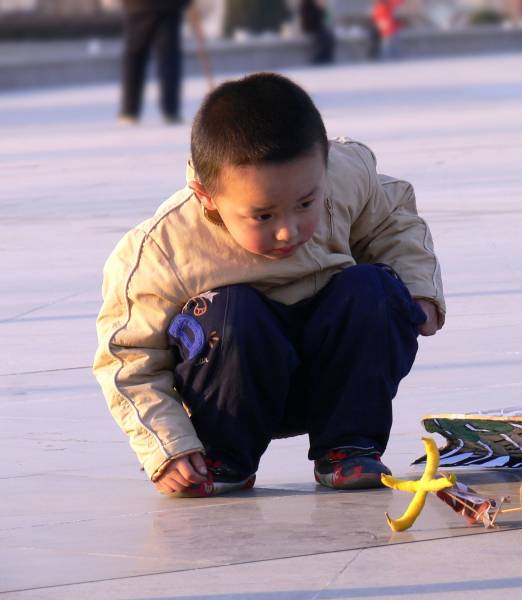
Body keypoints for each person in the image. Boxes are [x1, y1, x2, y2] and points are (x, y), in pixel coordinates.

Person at [94, 72, 445, 498]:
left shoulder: (346, 174)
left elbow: (392, 221)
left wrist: (417, 289)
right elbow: (129, 359)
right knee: (231, 310)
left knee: (372, 287)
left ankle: (348, 447)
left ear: (325, 166)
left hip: (337, 370)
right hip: (232, 382)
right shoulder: (164, 247)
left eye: (305, 204)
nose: (288, 231)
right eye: (263, 216)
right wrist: (168, 447)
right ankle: (222, 458)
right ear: (207, 196)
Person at [119, 0, 192, 124]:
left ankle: (129, 110)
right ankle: (170, 109)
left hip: (139, 5)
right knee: (168, 58)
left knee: (136, 57)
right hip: (168, 6)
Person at [299, 0, 335, 65]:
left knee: (329, 35)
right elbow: (310, 18)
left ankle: (327, 55)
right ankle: (321, 56)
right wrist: (319, 9)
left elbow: (322, 18)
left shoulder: (316, 4)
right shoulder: (307, 4)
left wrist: (321, 8)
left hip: (317, 27)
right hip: (310, 27)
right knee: (324, 36)